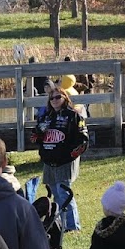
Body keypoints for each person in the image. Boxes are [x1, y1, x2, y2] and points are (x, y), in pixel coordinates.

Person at [32, 83, 88, 232]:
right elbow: (35, 138)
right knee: (56, 195)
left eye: (58, 97)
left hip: (65, 162)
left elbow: (83, 140)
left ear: (65, 98)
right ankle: (61, 225)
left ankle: (73, 226)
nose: (55, 100)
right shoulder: (44, 117)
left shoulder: (74, 116)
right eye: (52, 98)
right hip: (49, 162)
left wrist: (70, 156)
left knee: (64, 193)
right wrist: (38, 134)